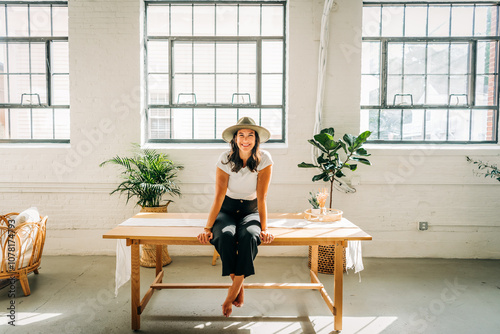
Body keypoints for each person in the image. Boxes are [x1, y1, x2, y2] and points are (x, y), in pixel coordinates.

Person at [197, 116, 275, 317]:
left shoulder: (265, 159)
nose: (246, 139)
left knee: (250, 236)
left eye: (250, 135)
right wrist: (207, 228)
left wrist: (264, 229)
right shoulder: (224, 159)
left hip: (251, 210)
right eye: (241, 135)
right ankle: (239, 288)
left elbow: (262, 197)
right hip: (227, 209)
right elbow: (219, 196)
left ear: (256, 139)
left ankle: (231, 293)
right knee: (224, 236)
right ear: (235, 139)